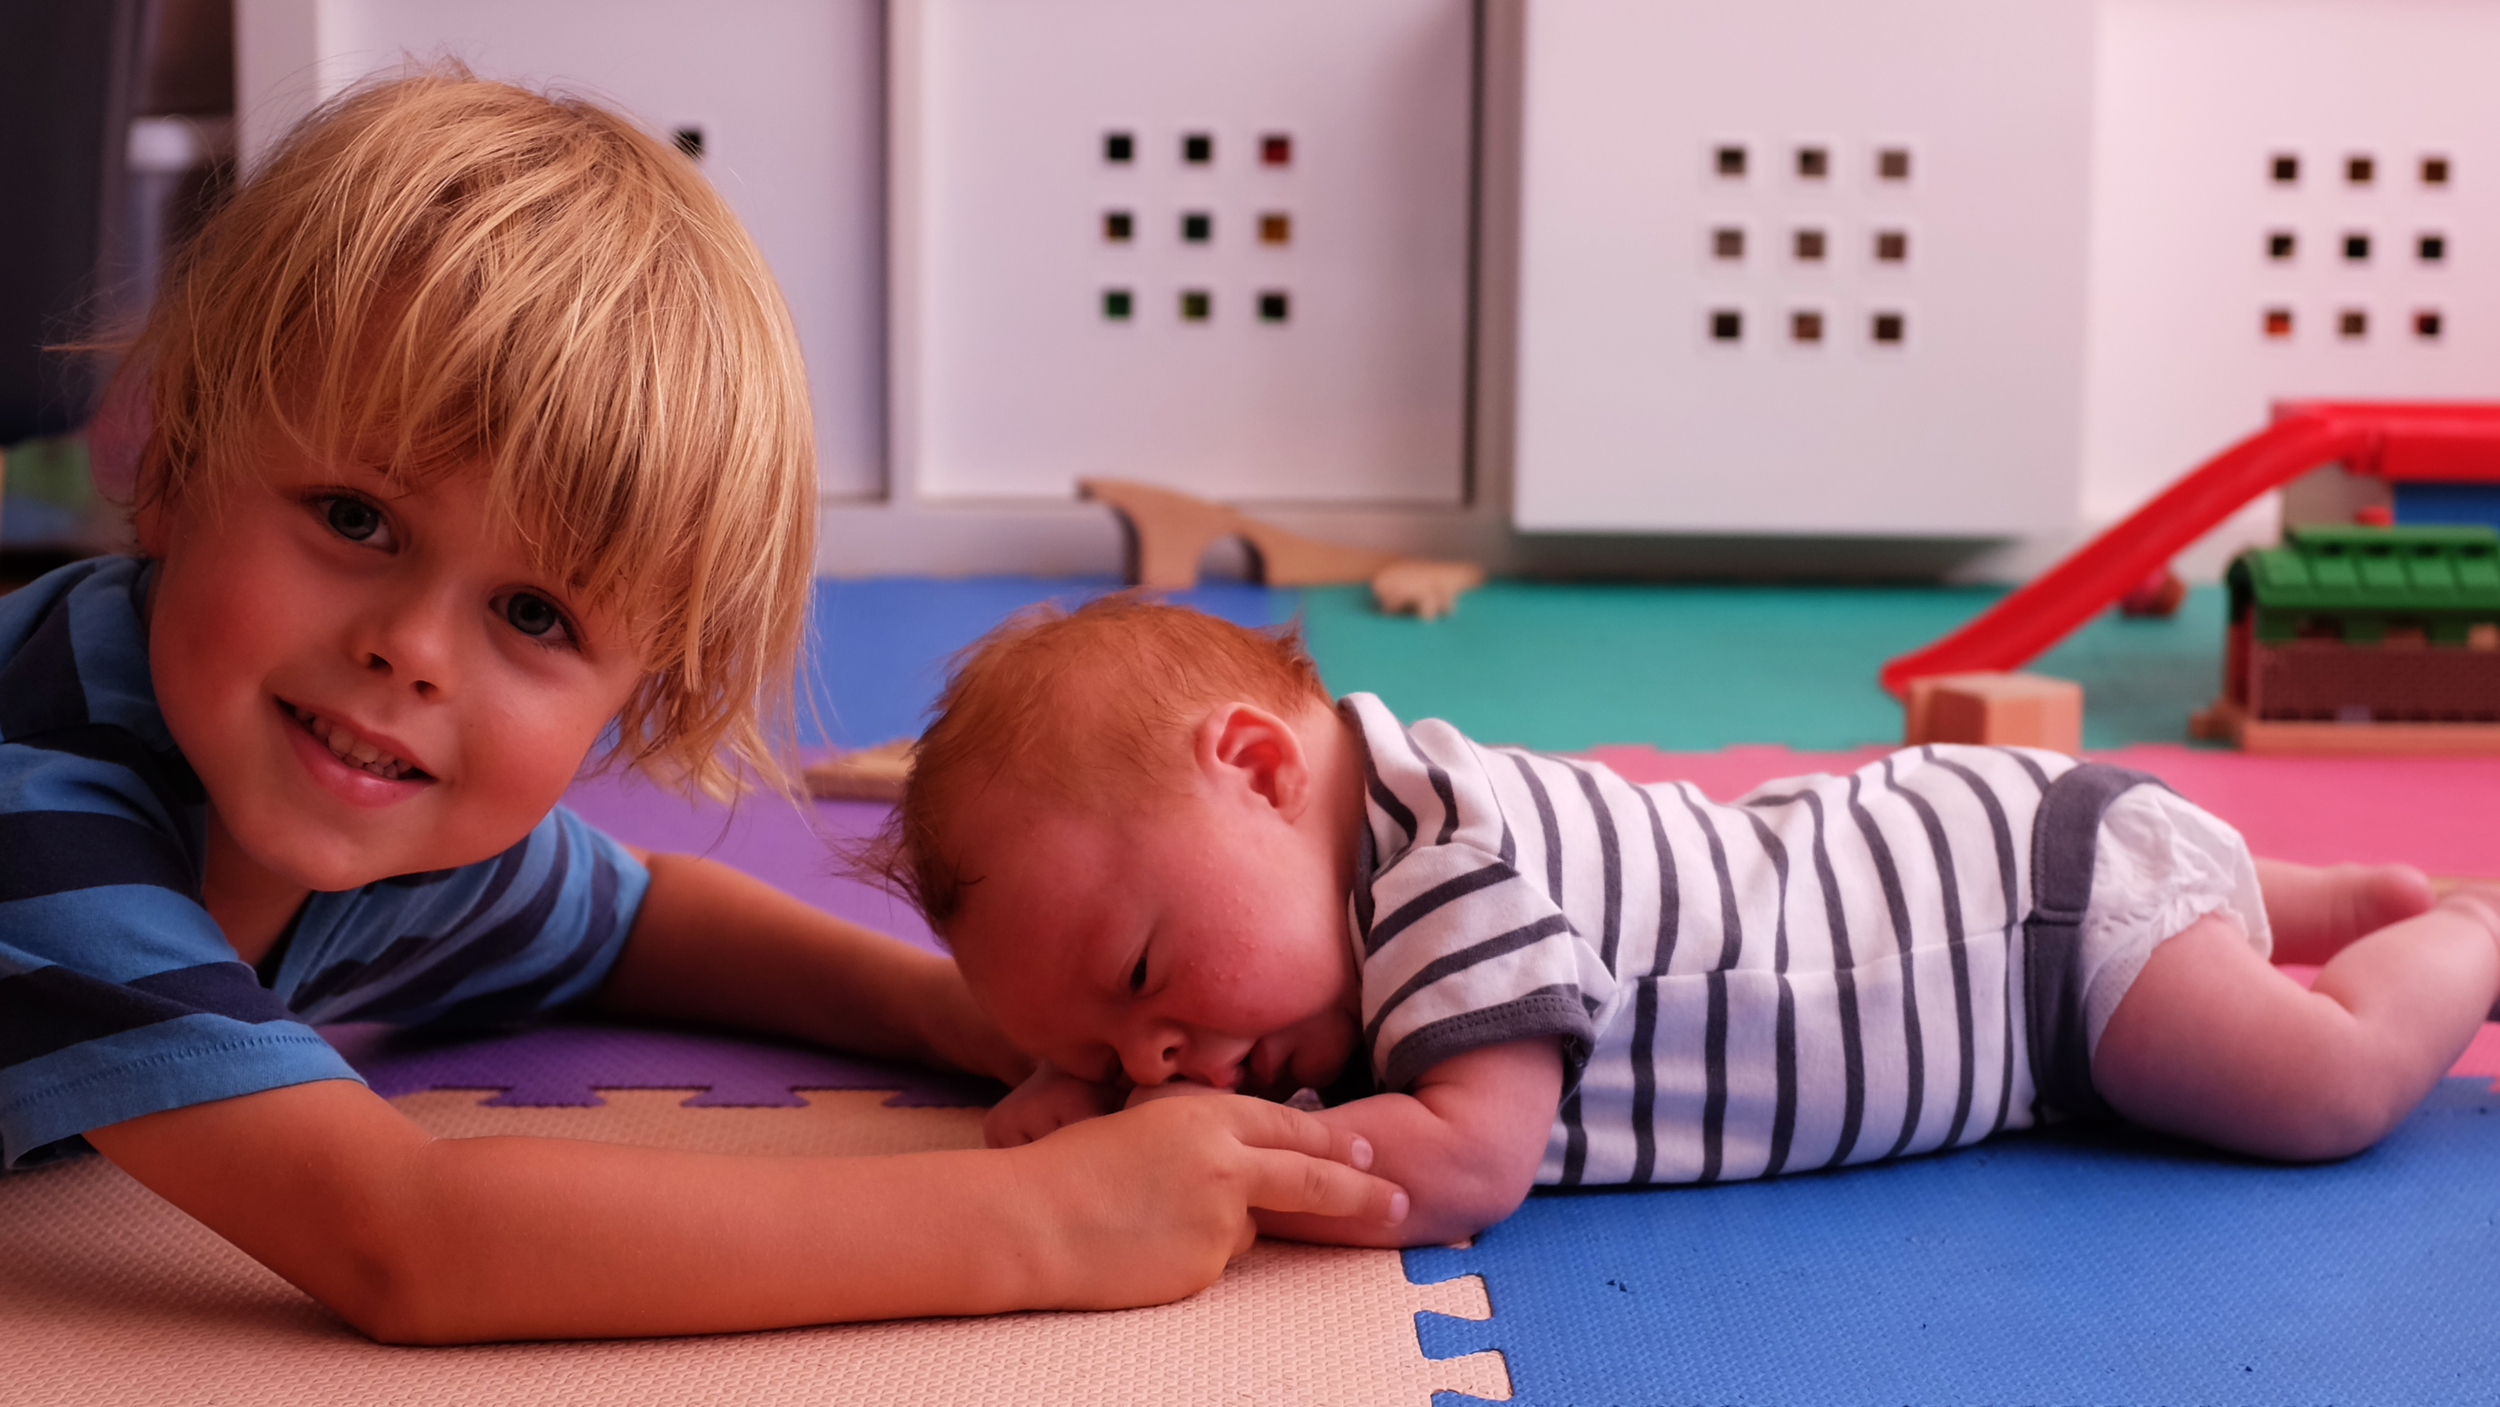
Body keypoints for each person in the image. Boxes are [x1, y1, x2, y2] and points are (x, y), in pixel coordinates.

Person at [0, 73, 1405, 1343]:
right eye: (354, 518)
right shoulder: (41, 799)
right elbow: (402, 1242)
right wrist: (1050, 1219)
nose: (413, 652)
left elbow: (637, 922)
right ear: (175, 462)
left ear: (637, 693)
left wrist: (978, 1025)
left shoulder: (389, 808)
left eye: (534, 615)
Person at [863, 594, 2500, 1248]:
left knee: (2320, 1088)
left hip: (2035, 938)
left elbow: (1465, 1169)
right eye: (1109, 1050)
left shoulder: (1449, 872)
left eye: (1142, 979)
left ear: (1259, 771)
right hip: (1968, 854)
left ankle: (2466, 927)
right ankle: (2331, 897)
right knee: (2212, 922)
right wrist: (1106, 1074)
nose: (1158, 1061)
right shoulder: (1334, 872)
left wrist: (1159, 1158)